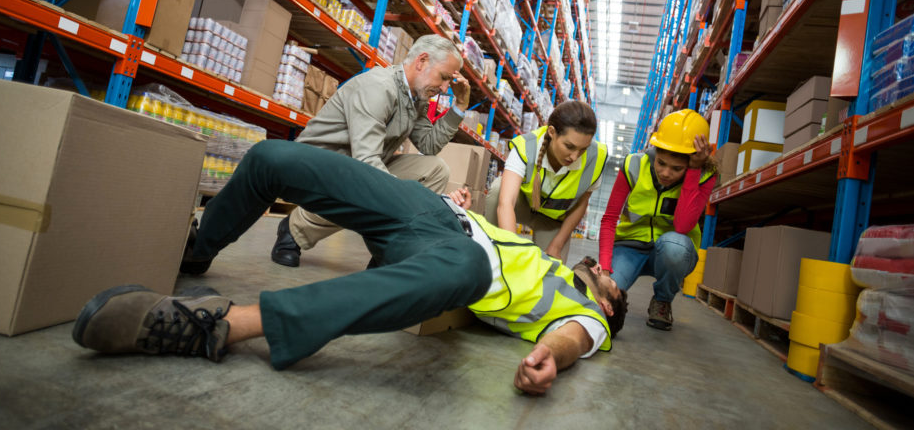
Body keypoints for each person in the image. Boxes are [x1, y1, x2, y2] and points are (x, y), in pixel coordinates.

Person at [74, 140, 628, 394]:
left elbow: (573, 339)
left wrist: (547, 360)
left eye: (610, 280)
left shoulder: (587, 315)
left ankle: (217, 326)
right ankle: (196, 253)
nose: (604, 269)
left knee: (466, 267)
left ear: (608, 302)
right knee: (274, 158)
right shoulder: (547, 259)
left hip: (451, 261)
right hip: (433, 214)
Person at [268, 34, 470, 269]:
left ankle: (391, 249)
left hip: (357, 166)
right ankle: (294, 229)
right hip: (319, 167)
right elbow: (366, 162)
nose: (445, 88)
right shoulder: (378, 87)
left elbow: (429, 145)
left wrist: (460, 106)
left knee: (434, 170)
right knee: (376, 189)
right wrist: (406, 198)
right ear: (422, 61)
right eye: (444, 78)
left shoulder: (417, 97)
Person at [598, 109, 716, 331]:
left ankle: (662, 300)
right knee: (605, 297)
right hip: (629, 247)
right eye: (661, 162)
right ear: (655, 150)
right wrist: (605, 270)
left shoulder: (704, 176)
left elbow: (683, 225)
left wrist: (692, 172)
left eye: (676, 168)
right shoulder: (633, 165)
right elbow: (609, 219)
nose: (666, 173)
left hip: (673, 251)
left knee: (674, 247)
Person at [484, 101, 608, 263]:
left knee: (551, 271)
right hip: (523, 206)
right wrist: (512, 250)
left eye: (583, 149)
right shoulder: (526, 146)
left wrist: (556, 246)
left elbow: (581, 205)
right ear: (552, 132)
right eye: (569, 146)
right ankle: (490, 248)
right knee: (498, 189)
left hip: (553, 222)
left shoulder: (596, 158)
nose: (575, 156)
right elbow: (506, 202)